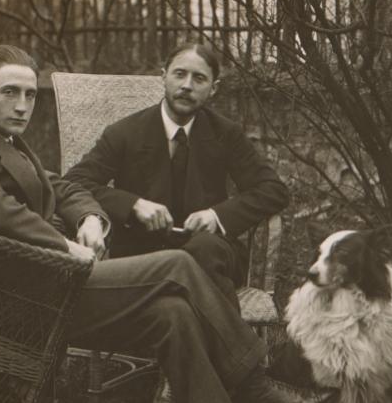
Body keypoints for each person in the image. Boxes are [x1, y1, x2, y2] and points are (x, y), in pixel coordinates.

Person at [0, 44, 335, 403]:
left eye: (31, 94)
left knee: (173, 313)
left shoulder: (5, 139)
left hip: (51, 281)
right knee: (178, 265)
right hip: (22, 296)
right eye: (11, 93)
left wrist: (88, 218)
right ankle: (252, 383)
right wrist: (65, 245)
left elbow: (62, 184)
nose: (24, 106)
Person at [65, 42, 289, 307]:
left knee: (203, 251)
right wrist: (133, 204)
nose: (187, 85)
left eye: (199, 78)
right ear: (163, 77)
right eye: (179, 74)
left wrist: (217, 215)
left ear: (213, 89)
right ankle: (232, 347)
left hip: (211, 253)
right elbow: (75, 181)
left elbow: (273, 189)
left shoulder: (224, 134)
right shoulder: (125, 132)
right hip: (144, 255)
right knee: (182, 282)